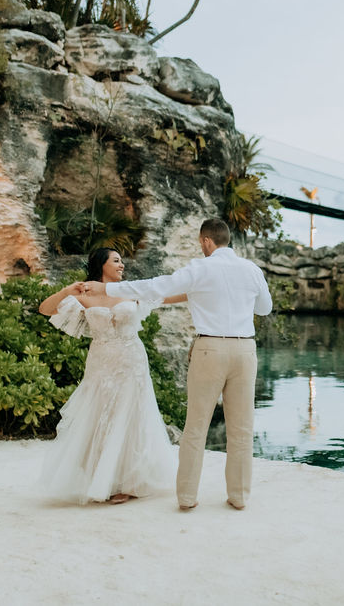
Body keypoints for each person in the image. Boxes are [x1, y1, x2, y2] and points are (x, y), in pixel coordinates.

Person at [81, 218, 273, 511]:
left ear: (207, 241)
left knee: (196, 425)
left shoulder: (200, 268)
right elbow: (265, 308)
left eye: (200, 242)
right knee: (242, 427)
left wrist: (106, 290)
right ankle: (238, 496)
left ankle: (187, 497)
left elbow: (156, 287)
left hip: (210, 347)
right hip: (245, 349)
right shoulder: (251, 269)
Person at [38, 248, 186, 505]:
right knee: (100, 414)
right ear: (102, 264)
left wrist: (203, 288)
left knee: (129, 416)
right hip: (101, 361)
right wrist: (66, 292)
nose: (122, 266)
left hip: (132, 360)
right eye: (116, 261)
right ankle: (101, 477)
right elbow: (45, 309)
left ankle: (128, 482)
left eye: (122, 261)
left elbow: (169, 295)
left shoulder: (131, 291)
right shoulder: (84, 293)